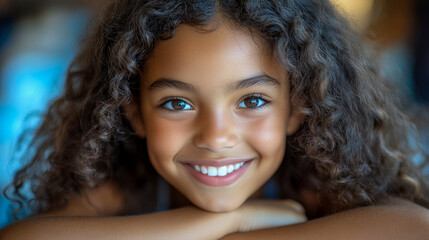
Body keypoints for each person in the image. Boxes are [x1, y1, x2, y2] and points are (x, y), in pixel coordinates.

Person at [1, 0, 429, 239]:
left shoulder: (316, 183)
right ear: (134, 114)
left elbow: (415, 227)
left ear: (299, 108)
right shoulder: (128, 185)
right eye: (178, 104)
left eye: (253, 100)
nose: (217, 136)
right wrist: (229, 221)